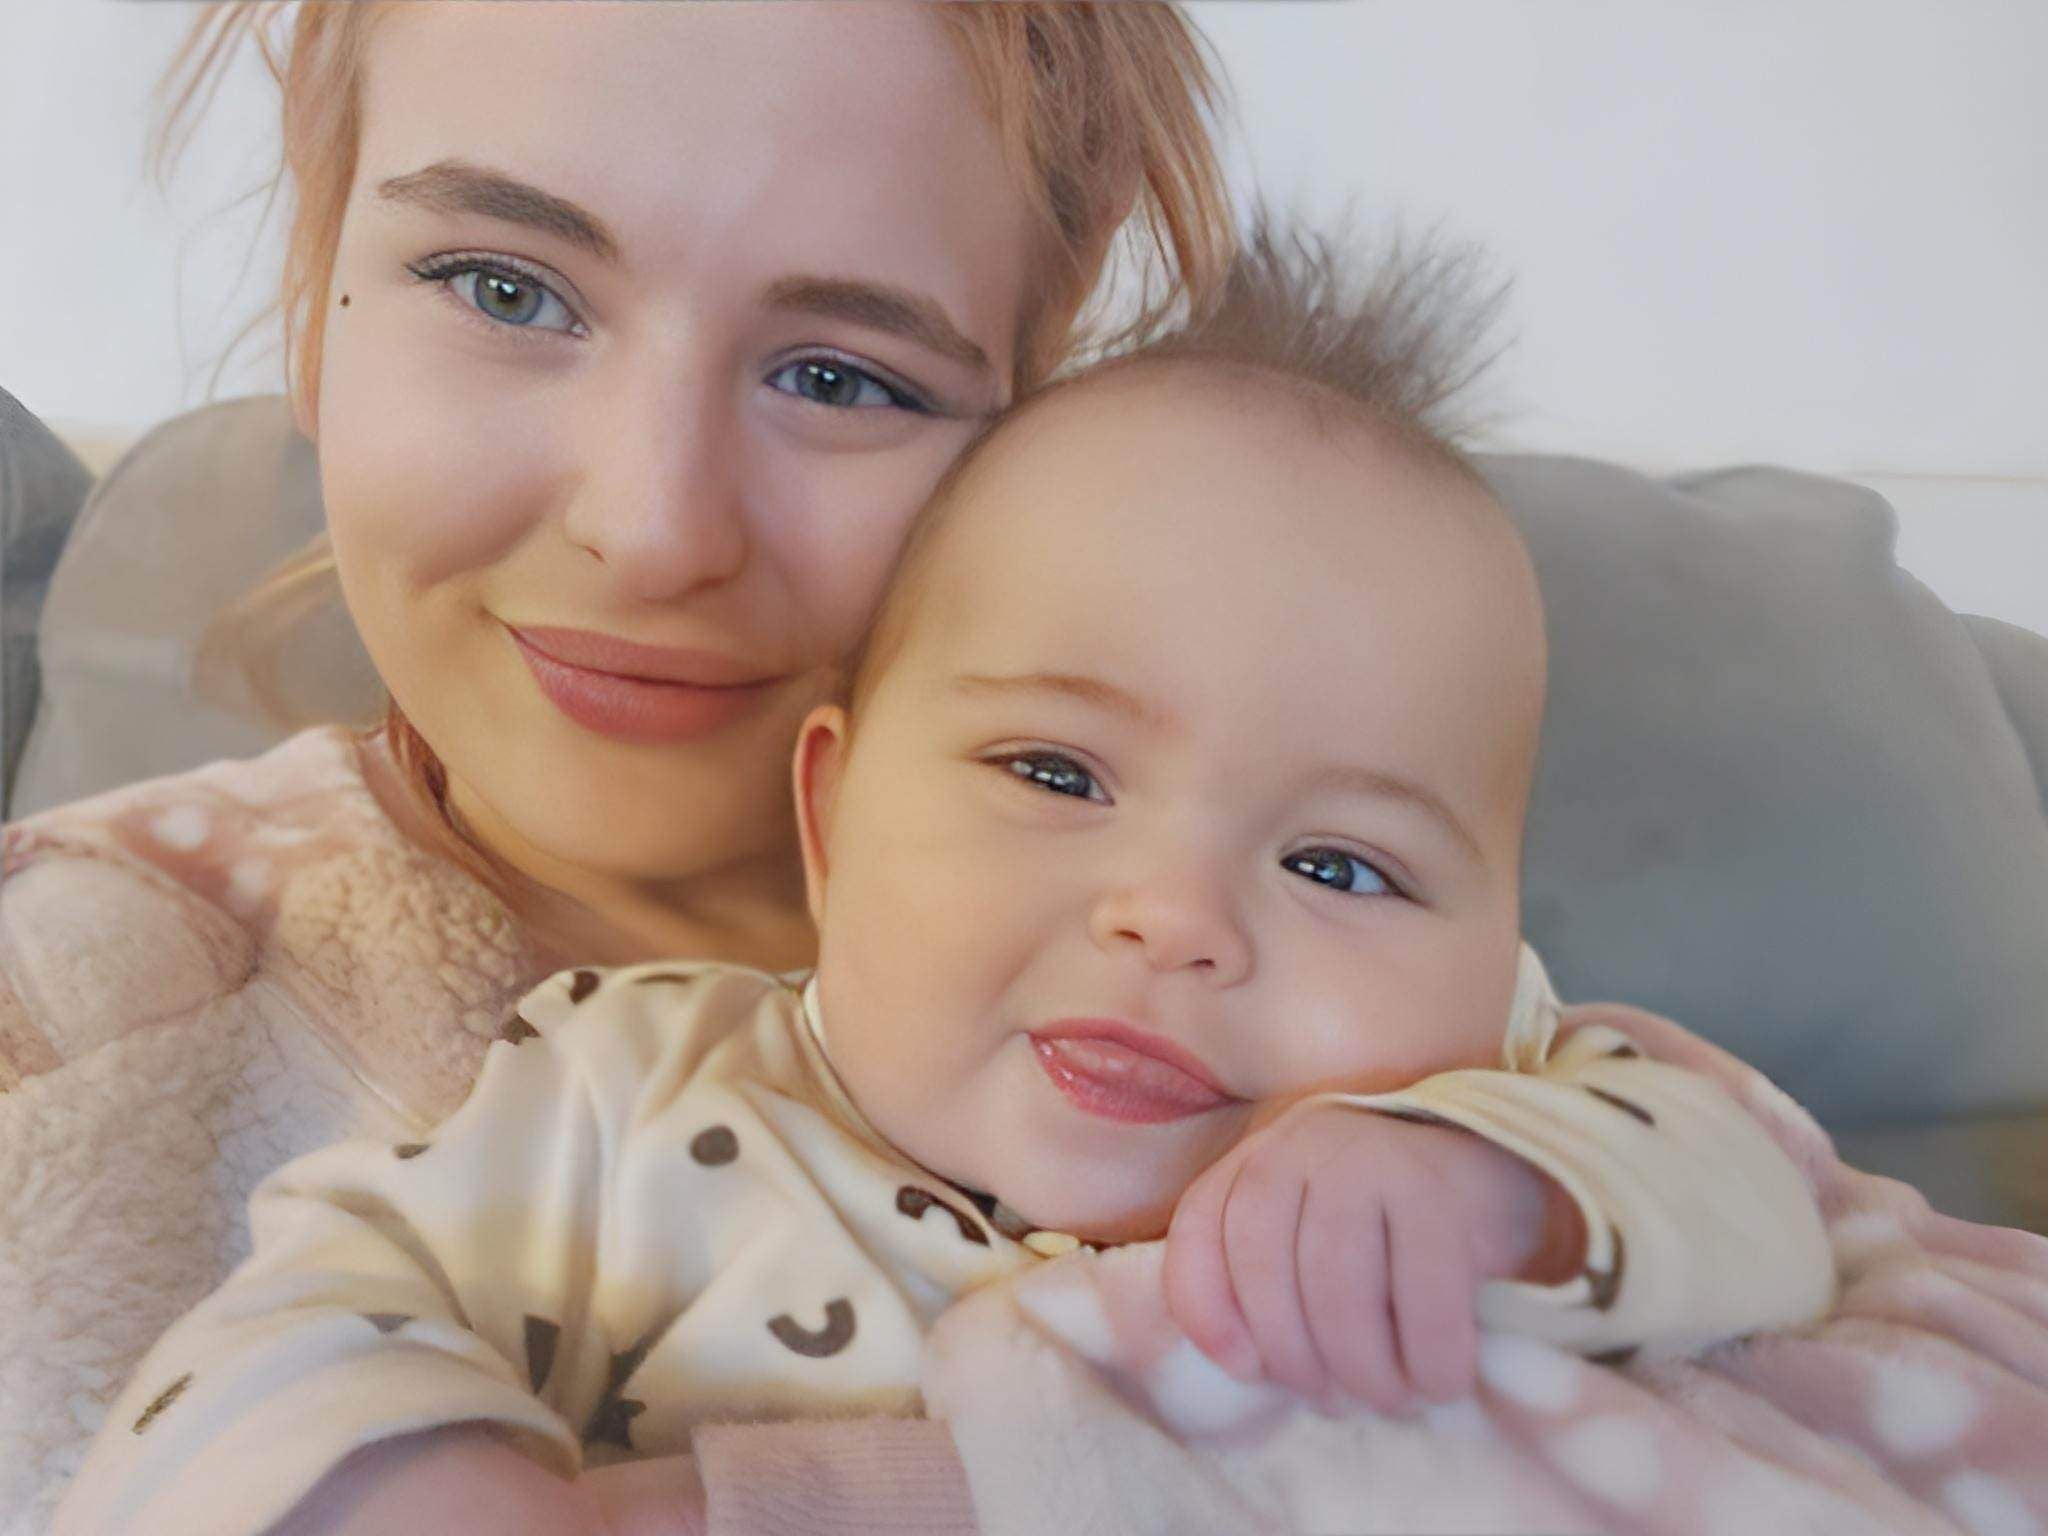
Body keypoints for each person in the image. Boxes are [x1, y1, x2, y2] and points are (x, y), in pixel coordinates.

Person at [52, 233, 1833, 1536]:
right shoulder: (628, 1095)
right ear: (831, 815)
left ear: (1497, 947)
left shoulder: (1515, 1097)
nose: (1179, 920)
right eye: (1056, 775)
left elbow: (1772, 1224)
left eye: (1344, 865)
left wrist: (1493, 1196)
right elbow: (312, 1296)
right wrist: (415, 1479)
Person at [0, 4, 1233, 1530]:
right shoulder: (66, 1016)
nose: (654, 530)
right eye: (505, 288)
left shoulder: (1260, 967)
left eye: (844, 379)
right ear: (314, 304)